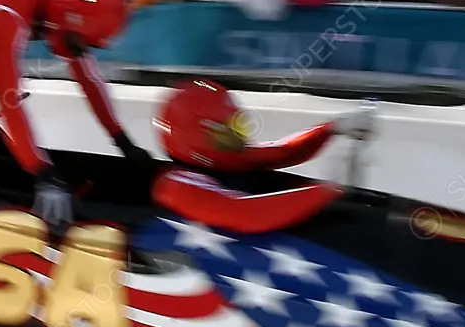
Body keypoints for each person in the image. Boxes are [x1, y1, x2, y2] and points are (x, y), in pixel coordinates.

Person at [0, 0, 153, 227]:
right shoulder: (6, 15)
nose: (80, 49)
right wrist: (42, 172)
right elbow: (5, 103)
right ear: (67, 16)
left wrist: (122, 140)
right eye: (78, 41)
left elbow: (88, 77)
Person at [150, 79, 373, 233]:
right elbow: (245, 213)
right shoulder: (176, 187)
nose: (242, 135)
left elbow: (282, 151)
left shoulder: (222, 157)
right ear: (201, 134)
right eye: (232, 128)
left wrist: (333, 128)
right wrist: (327, 190)